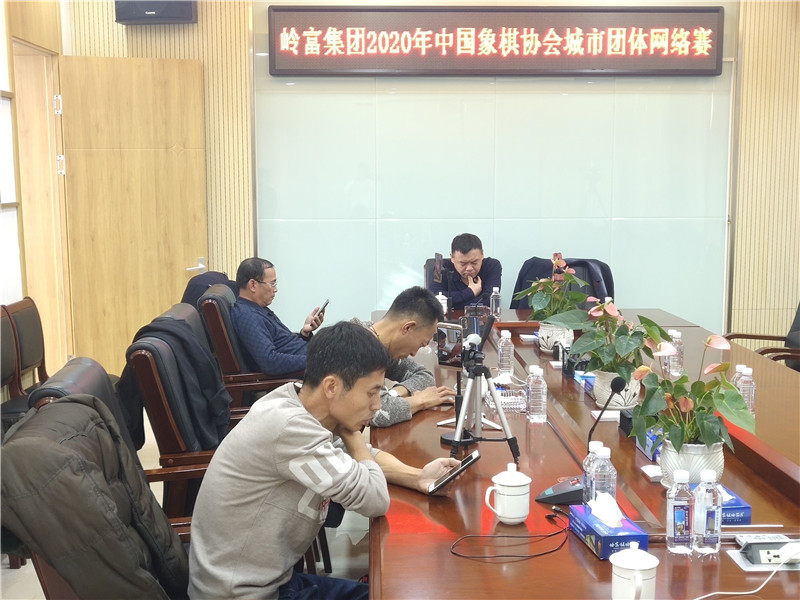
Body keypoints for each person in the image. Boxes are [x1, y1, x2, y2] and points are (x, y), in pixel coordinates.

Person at [188, 321, 460, 600]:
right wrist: (354, 436)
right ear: (331, 386)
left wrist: (417, 476)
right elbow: (375, 499)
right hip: (243, 594)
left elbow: (361, 459)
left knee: (387, 592)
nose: (377, 405)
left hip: (273, 580)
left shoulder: (299, 402)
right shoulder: (291, 429)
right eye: (371, 392)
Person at [351, 286, 455, 427]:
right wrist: (420, 400)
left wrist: (393, 394)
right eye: (421, 344)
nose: (414, 353)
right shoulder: (357, 345)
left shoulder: (379, 341)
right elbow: (378, 413)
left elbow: (425, 376)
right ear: (408, 328)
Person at [231, 257, 324, 376]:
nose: (276, 290)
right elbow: (270, 362)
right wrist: (316, 361)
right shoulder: (247, 316)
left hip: (311, 359)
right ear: (253, 285)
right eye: (272, 284)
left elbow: (283, 345)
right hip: (310, 372)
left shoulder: (258, 308)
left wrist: (304, 334)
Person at [429, 233, 502, 310]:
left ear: (482, 255)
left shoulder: (493, 265)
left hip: (482, 317)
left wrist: (452, 304)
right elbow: (433, 297)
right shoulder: (439, 266)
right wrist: (470, 292)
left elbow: (490, 301)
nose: (469, 268)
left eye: (474, 262)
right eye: (463, 263)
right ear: (452, 258)